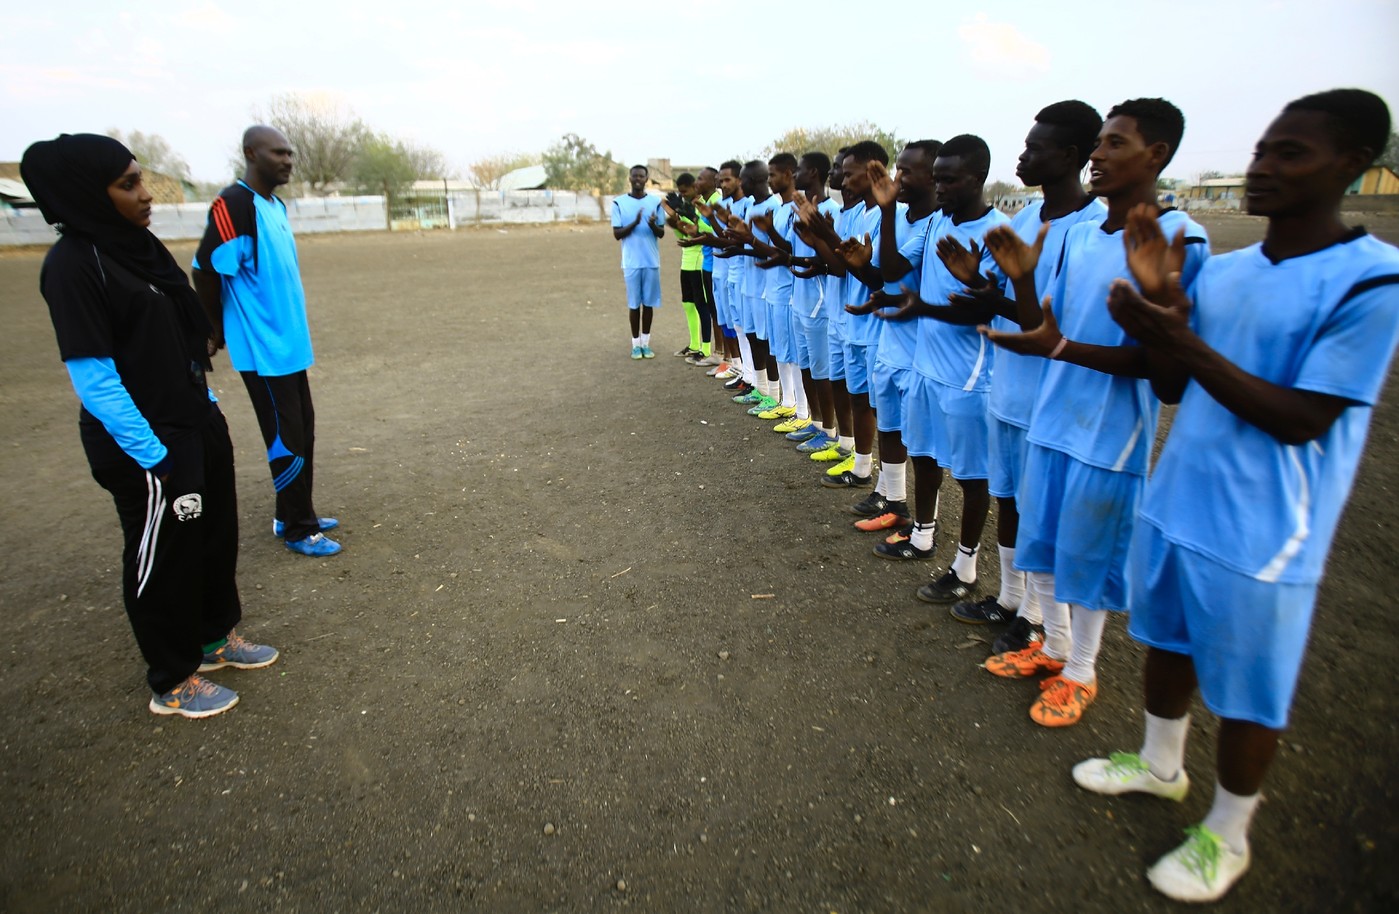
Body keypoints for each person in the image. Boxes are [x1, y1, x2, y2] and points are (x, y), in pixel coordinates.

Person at [1073, 88, 1399, 903]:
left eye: (1290, 154)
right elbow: (1177, 384)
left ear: (1355, 166)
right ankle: (1158, 765)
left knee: (1250, 692)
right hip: (1181, 501)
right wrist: (1165, 308)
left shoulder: (1371, 282)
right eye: (1259, 151)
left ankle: (1228, 833)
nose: (1261, 169)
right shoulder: (1229, 270)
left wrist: (1178, 333)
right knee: (1167, 648)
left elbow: (1301, 419)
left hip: (1266, 535)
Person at [23, 133, 277, 719]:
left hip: (192, 421)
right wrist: (152, 453)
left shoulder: (138, 247)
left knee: (214, 537)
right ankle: (172, 677)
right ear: (89, 194)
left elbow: (172, 340)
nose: (145, 195)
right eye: (128, 184)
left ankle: (216, 640)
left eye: (141, 180)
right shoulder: (72, 266)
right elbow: (94, 376)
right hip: (147, 441)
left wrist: (206, 404)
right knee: (164, 554)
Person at [980, 99, 1210, 728]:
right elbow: (1041, 326)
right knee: (1048, 543)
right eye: (1099, 144)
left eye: (1115, 144)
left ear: (1156, 155)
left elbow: (1166, 373)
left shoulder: (1180, 235)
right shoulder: (1078, 233)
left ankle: (1081, 670)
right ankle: (1051, 648)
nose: (1099, 156)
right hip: (1053, 419)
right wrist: (1021, 281)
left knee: (1089, 556)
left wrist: (1061, 347)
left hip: (1109, 433)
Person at [947, 101, 1106, 660]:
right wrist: (976, 287)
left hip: (1055, 403)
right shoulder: (1021, 222)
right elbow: (998, 305)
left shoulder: (1091, 231)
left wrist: (1003, 292)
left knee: (1046, 516)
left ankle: (1043, 622)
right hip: (1008, 391)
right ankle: (1012, 600)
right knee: (1009, 499)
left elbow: (1049, 324)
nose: (1022, 155)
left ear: (1070, 156)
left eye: (1035, 147)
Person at [192, 125, 341, 558]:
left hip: (290, 346)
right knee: (285, 437)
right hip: (264, 350)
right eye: (278, 153)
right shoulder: (234, 203)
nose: (288, 161)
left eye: (290, 154)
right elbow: (205, 268)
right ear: (251, 153)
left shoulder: (273, 205)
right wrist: (212, 330)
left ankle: (291, 511)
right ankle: (298, 529)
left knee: (302, 431)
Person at [608, 164, 666, 359]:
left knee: (648, 304)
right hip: (631, 262)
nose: (638, 179)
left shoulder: (656, 202)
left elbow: (661, 232)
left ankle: (646, 343)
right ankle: (635, 345)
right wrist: (634, 222)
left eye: (642, 176)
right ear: (630, 179)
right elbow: (617, 234)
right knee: (634, 304)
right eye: (635, 176)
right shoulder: (619, 203)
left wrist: (651, 224)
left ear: (647, 178)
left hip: (650, 261)